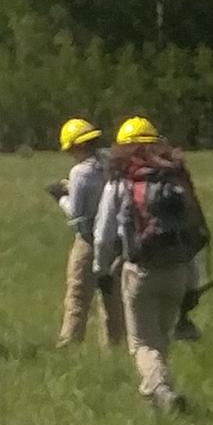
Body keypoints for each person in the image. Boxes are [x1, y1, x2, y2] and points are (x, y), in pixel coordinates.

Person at [86, 114, 209, 415]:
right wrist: (194, 284)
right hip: (177, 272)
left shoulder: (120, 182)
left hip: (139, 272)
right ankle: (154, 400)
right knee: (161, 339)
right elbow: (192, 232)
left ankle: (161, 391)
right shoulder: (176, 178)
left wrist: (101, 270)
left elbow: (102, 235)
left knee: (141, 343)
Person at [48, 117, 124, 350]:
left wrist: (61, 197)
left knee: (78, 296)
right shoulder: (109, 161)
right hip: (115, 240)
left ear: (77, 146)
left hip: (88, 241)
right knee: (112, 299)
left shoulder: (80, 172)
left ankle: (70, 342)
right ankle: (114, 346)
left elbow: (77, 215)